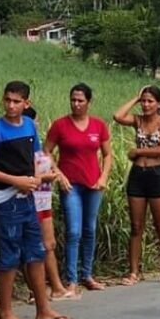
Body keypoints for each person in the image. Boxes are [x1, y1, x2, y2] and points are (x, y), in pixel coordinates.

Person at [0, 81, 73, 319]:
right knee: (10, 255)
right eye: (7, 100)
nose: (11, 105)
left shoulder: (30, 126)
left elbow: (36, 158)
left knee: (36, 252)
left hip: (28, 198)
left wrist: (43, 178)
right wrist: (15, 181)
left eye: (16, 101)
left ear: (26, 104)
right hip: (4, 199)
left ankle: (43, 309)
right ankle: (5, 314)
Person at [45, 83, 113, 295]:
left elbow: (108, 154)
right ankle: (72, 279)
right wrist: (58, 174)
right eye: (73, 100)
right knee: (73, 231)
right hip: (70, 185)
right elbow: (46, 151)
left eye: (80, 100)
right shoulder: (60, 125)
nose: (76, 104)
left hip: (93, 184)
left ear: (89, 102)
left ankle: (87, 275)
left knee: (89, 230)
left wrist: (104, 177)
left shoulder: (99, 126)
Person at [112, 85, 160, 285]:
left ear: (159, 104)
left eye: (150, 101)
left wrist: (138, 152)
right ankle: (133, 271)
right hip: (138, 175)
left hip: (157, 174)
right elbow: (117, 116)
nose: (146, 105)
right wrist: (136, 97)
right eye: (144, 101)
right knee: (136, 226)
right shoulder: (137, 120)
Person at [22, 107, 72, 300]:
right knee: (31, 246)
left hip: (44, 200)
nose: (36, 125)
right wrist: (45, 177)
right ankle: (35, 289)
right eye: (34, 122)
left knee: (49, 244)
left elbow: (49, 164)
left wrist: (55, 173)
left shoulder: (38, 146)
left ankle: (57, 286)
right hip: (28, 200)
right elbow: (24, 176)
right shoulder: (19, 145)